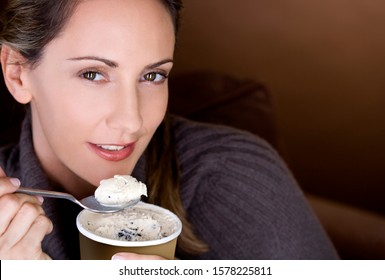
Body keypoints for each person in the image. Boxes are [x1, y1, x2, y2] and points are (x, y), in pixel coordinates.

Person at [0, 0, 339, 260]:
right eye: (93, 74)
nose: (133, 121)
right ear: (17, 73)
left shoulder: (231, 174)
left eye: (152, 76)